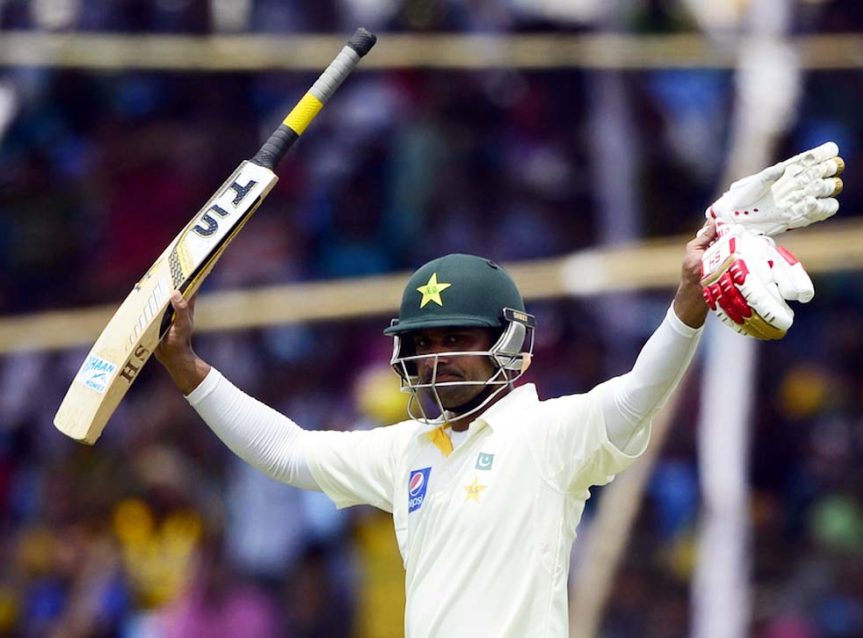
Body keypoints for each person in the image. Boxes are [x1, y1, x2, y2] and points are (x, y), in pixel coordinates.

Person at [154, 220, 715, 636]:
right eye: (423, 344)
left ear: (507, 343)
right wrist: (188, 368)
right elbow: (289, 452)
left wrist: (687, 304)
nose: (436, 359)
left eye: (456, 339)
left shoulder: (547, 435)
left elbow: (640, 393)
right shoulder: (408, 451)